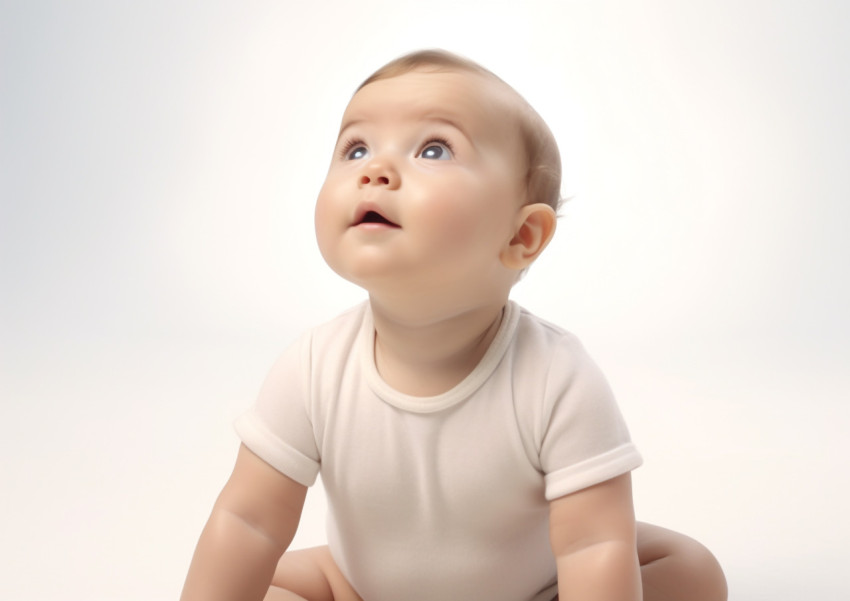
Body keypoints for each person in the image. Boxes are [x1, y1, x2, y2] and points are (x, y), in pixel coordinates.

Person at [180, 49, 727, 601]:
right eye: (356, 147)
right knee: (263, 583)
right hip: (358, 588)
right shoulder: (313, 367)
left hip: (538, 587)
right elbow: (249, 521)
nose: (374, 170)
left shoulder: (556, 377)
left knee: (689, 571)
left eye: (434, 149)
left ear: (521, 238)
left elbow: (592, 546)